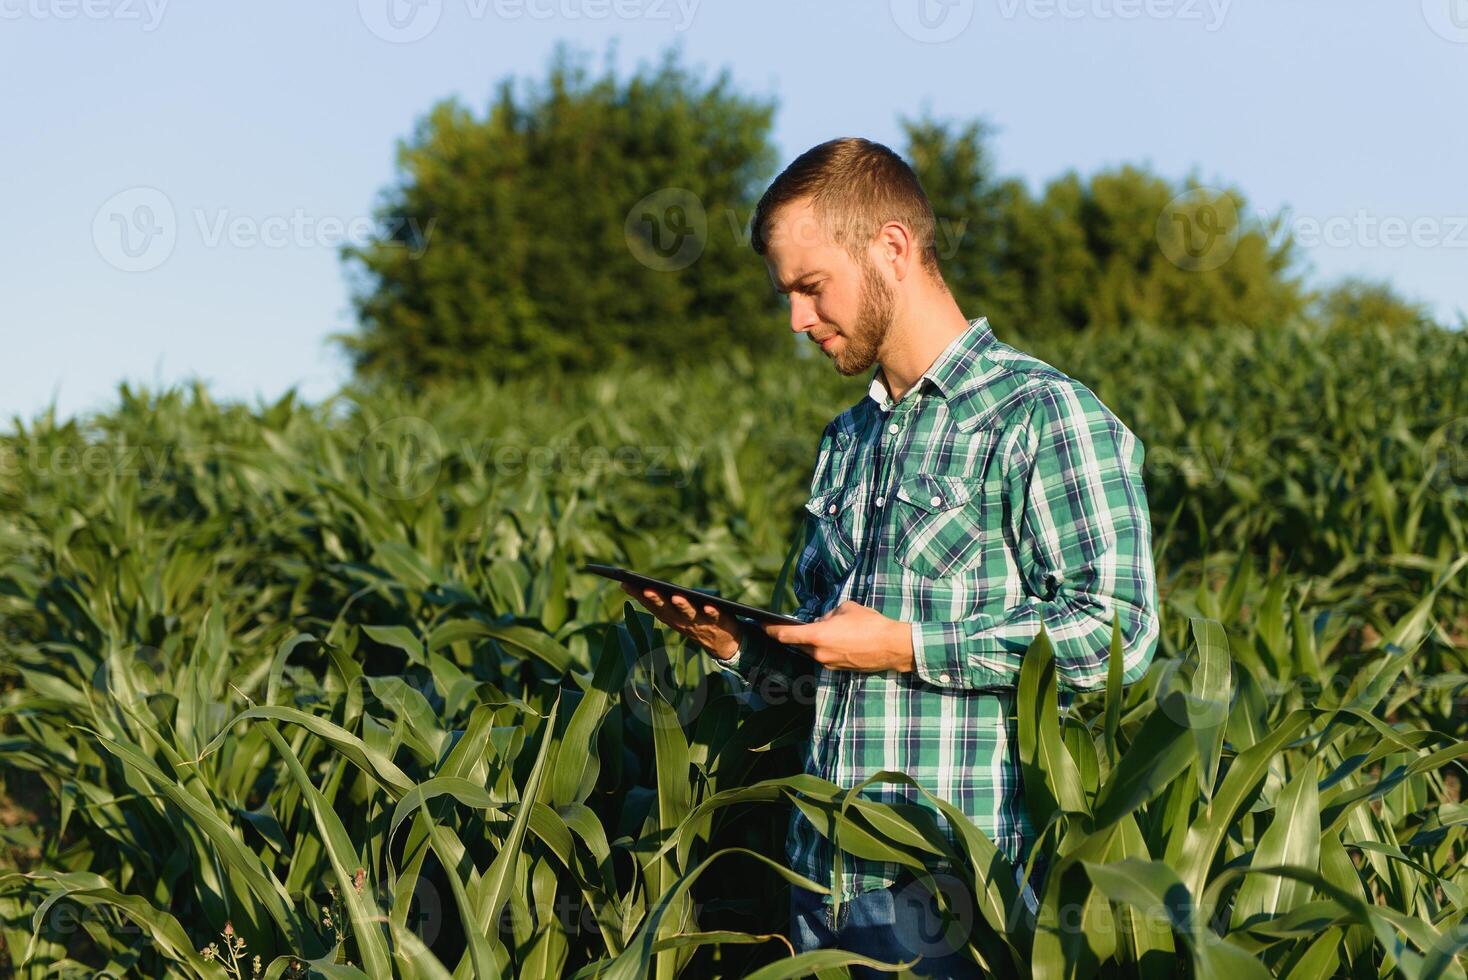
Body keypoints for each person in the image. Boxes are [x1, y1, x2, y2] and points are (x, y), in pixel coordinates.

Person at [622, 136, 1159, 976]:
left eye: (811, 287)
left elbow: (1112, 634)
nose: (797, 319)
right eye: (786, 295)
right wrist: (733, 645)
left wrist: (908, 645)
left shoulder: (1041, 415)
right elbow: (817, 671)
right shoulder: (848, 441)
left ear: (893, 248)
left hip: (948, 890)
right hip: (815, 884)